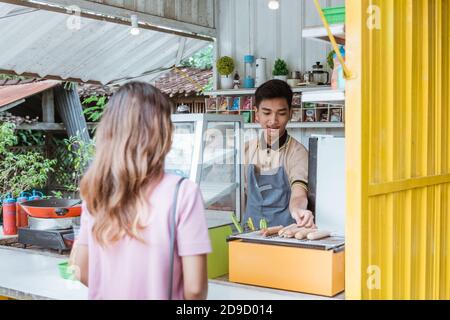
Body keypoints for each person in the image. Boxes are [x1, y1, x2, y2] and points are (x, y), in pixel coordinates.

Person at [69, 82, 211, 300]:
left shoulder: (96, 191)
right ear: (163, 133)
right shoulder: (183, 193)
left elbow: (81, 268)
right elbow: (194, 288)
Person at [244, 79, 315, 228]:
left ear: (290, 113)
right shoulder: (246, 150)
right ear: (256, 114)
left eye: (281, 113)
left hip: (284, 236)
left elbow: (299, 193)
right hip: (247, 233)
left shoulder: (298, 153)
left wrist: (298, 210)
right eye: (266, 113)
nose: (273, 120)